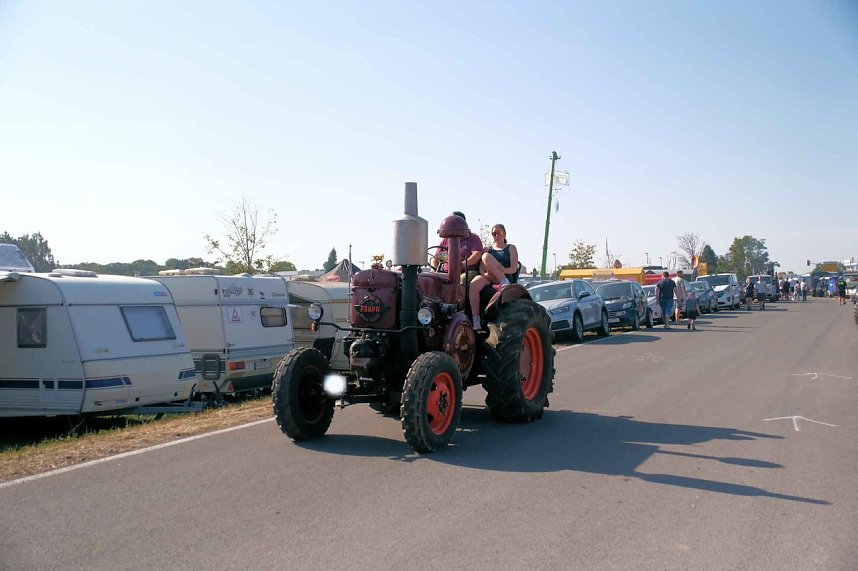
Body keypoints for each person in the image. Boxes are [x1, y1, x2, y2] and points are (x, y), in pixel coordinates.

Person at [469, 224, 519, 329]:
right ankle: (476, 320)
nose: (496, 235)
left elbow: (513, 268)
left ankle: (503, 281)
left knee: (486, 256)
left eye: (499, 232)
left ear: (504, 234)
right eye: (493, 233)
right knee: (474, 284)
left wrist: (501, 270)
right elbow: (481, 268)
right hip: (489, 276)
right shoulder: (487, 249)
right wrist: (485, 275)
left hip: (504, 275)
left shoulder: (511, 248)